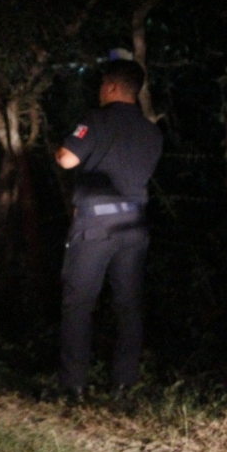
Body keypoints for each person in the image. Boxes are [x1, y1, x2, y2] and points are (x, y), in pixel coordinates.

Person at [55, 59, 163, 397]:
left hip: (95, 227)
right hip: (134, 225)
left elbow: (66, 158)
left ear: (113, 87)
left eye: (103, 84)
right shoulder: (152, 131)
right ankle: (123, 384)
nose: (100, 90)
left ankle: (74, 386)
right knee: (128, 305)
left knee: (79, 304)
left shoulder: (96, 120)